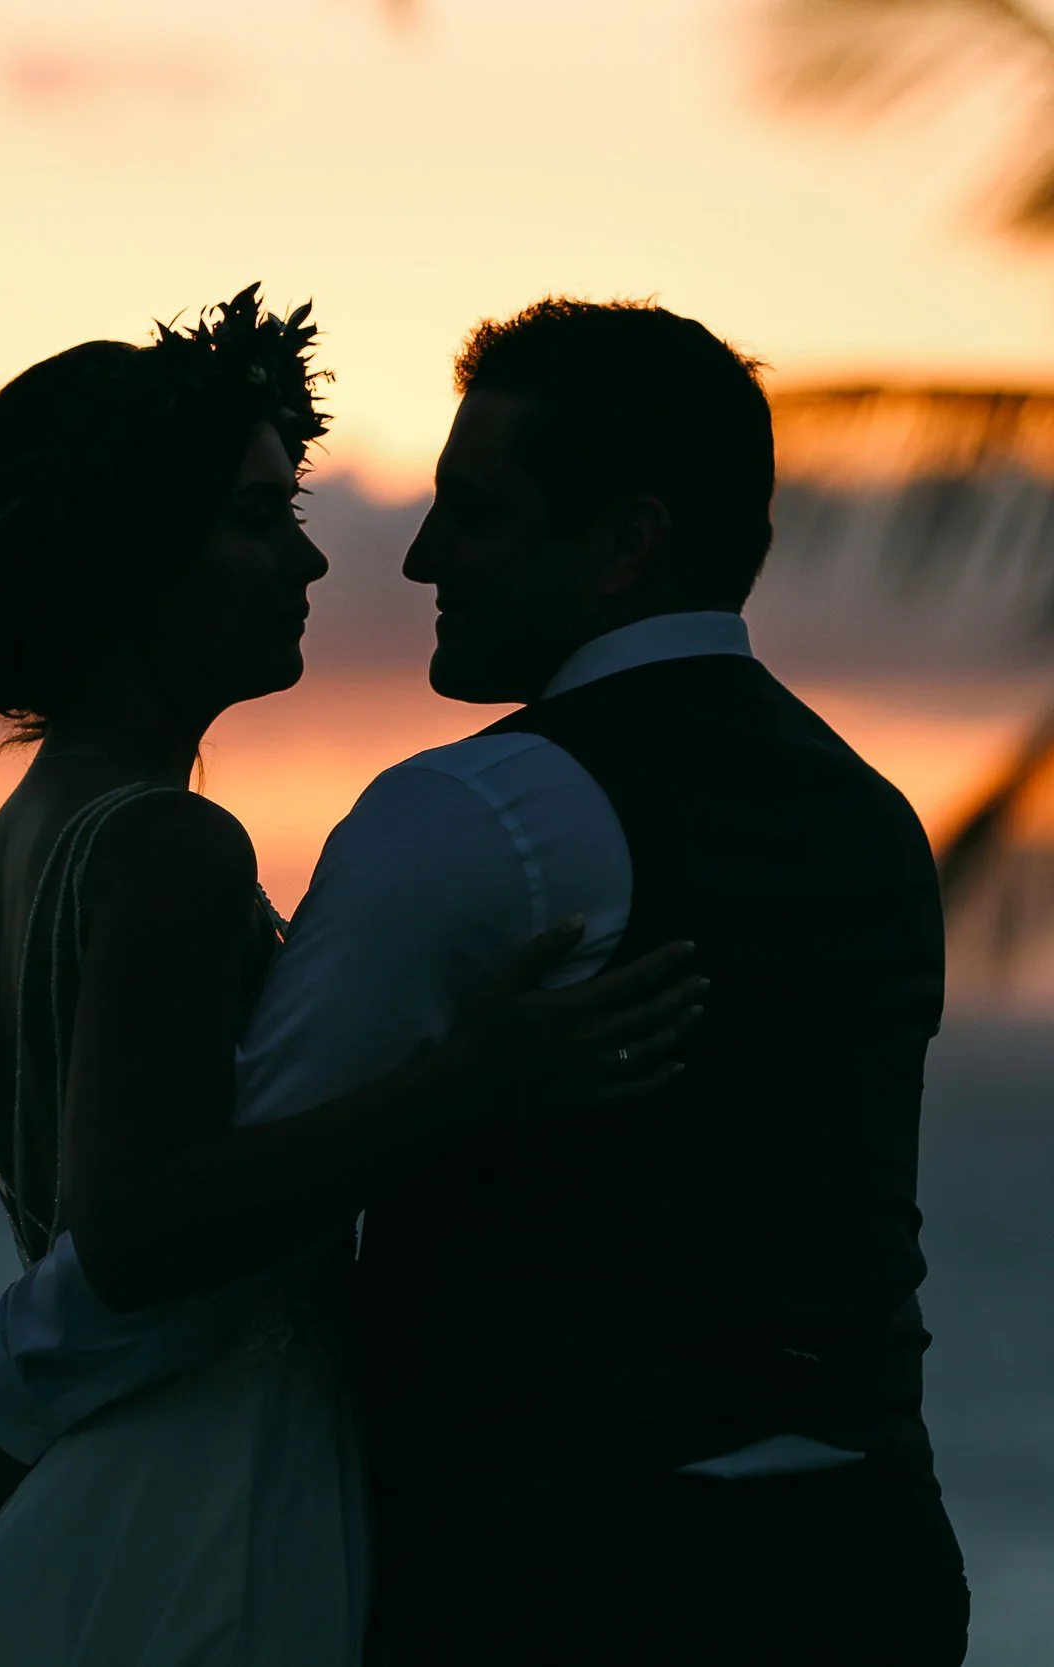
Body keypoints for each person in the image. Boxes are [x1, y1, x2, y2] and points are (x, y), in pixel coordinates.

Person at [0, 286, 702, 1667]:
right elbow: (138, 1225)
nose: (313, 566)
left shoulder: (14, 845)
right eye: (259, 521)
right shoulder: (169, 845)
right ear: (135, 565)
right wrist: (478, 1080)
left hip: (112, 1454)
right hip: (222, 1464)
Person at [233, 298, 970, 1664]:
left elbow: (250, 1175)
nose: (420, 556)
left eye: (478, 511)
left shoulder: (479, 812)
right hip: (875, 1561)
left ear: (627, 541)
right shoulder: (877, 818)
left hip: (580, 1580)